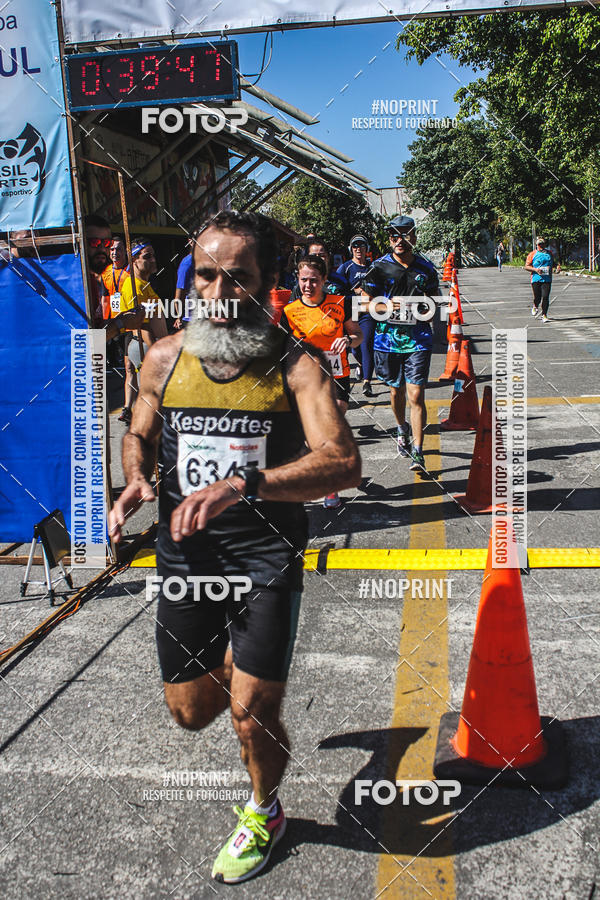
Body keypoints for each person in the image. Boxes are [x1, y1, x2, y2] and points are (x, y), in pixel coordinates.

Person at [108, 210, 361, 884]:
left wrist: (242, 485)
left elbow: (342, 463)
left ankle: (264, 810)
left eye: (237, 279)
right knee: (190, 714)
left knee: (253, 715)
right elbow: (141, 433)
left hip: (266, 557)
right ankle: (239, 666)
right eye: (206, 276)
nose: (218, 294)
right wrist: (136, 478)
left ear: (267, 283)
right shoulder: (165, 358)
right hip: (187, 559)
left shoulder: (295, 366)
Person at [279, 254, 362, 509]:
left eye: (314, 281)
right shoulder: (290, 312)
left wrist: (348, 341)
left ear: (325, 280)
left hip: (337, 375)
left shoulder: (340, 303)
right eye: (304, 280)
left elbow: (358, 335)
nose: (308, 286)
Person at [362, 215, 440, 472]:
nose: (400, 240)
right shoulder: (378, 267)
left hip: (418, 339)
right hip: (387, 340)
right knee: (396, 391)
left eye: (405, 234)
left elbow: (435, 302)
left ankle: (418, 451)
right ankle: (401, 428)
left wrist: (428, 313)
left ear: (414, 236)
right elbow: (363, 300)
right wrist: (387, 306)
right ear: (389, 239)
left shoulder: (426, 268)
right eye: (394, 235)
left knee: (416, 394)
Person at [117, 239, 168, 424]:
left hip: (151, 346)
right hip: (144, 347)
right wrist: (158, 352)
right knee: (151, 399)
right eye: (147, 256)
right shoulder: (134, 288)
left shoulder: (144, 284)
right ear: (134, 261)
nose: (153, 260)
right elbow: (142, 326)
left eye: (153, 255)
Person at [336, 234, 374, 396]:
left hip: (368, 312)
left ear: (367, 249)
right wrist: (354, 292)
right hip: (351, 313)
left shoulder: (373, 267)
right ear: (351, 249)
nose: (358, 249)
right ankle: (360, 364)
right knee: (355, 348)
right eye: (355, 246)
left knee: (366, 345)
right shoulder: (345, 268)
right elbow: (336, 289)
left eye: (361, 245)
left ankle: (367, 381)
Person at [84, 214, 112, 326]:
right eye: (94, 242)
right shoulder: (76, 282)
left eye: (107, 243)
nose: (102, 249)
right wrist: (120, 325)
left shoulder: (98, 279)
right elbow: (82, 340)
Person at [525, 237, 554, 322]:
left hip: (547, 279)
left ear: (545, 244)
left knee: (545, 297)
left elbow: (554, 263)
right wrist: (536, 270)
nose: (541, 246)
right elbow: (526, 266)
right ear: (536, 245)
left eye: (542, 244)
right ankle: (535, 305)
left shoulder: (549, 254)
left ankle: (544, 315)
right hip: (536, 278)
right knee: (537, 297)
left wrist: (557, 267)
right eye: (539, 244)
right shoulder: (532, 254)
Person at [101, 237, 128, 320]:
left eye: (119, 249)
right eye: (112, 249)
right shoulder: (105, 272)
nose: (115, 252)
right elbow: (105, 300)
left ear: (125, 251)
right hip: (115, 322)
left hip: (131, 319)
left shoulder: (132, 270)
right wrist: (105, 321)